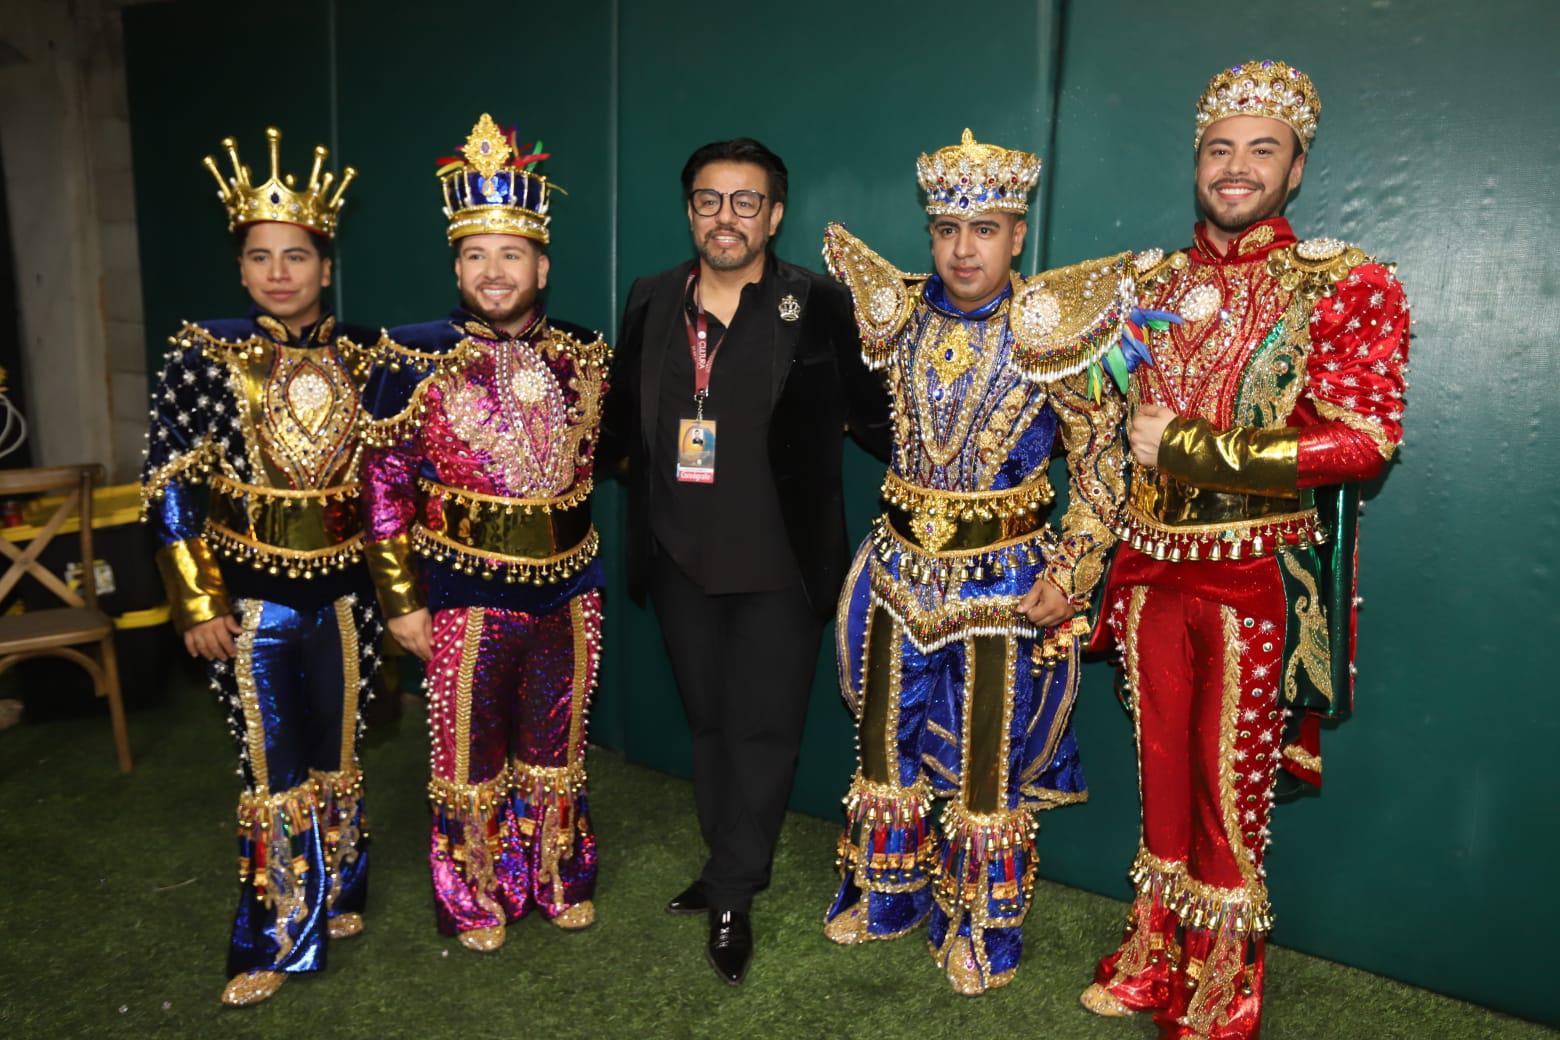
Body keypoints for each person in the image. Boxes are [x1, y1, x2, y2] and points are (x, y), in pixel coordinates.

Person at [1079, 60, 1410, 1039]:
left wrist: (1196, 447)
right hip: (1148, 568)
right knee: (1160, 775)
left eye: (1261, 150)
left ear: (1296, 169)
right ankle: (1153, 952)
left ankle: (1225, 980)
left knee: (1231, 786)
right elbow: (1101, 431)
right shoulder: (1146, 283)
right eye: (1219, 150)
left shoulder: (1345, 282)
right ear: (1196, 163)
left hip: (1253, 575)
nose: (1235, 168)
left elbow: (1366, 440)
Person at [819, 129, 1143, 995]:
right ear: (931, 235)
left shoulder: (1054, 329)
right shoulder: (899, 315)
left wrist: (1071, 571)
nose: (965, 249)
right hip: (896, 569)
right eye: (949, 230)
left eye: (987, 230)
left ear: (1017, 235)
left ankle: (980, 924)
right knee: (884, 748)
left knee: (985, 765)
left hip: (1004, 581)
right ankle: (886, 893)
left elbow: (1105, 464)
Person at [597, 137, 891, 985]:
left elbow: (872, 417)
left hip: (780, 565)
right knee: (710, 725)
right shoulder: (651, 299)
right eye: (708, 201)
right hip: (681, 557)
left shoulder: (818, 302)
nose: (726, 218)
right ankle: (731, 857)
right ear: (690, 208)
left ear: (776, 214)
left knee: (763, 731)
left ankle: (733, 891)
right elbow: (619, 423)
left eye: (746, 202)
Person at [359, 114, 609, 954]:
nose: (493, 271)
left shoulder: (583, 355)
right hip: (465, 592)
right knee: (467, 757)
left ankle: (553, 877)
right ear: (457, 267)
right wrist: (400, 604)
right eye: (475, 255)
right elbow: (384, 486)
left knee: (556, 745)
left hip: (571, 588)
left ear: (540, 264)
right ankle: (470, 896)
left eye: (510, 254)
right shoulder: (411, 356)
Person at [142, 128, 381, 1007]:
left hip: (348, 601)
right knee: (271, 769)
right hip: (255, 607)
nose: (279, 272)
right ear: (241, 271)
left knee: (338, 754)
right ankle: (276, 935)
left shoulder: (365, 354)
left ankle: (341, 889)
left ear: (325, 265)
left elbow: (388, 481)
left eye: (297, 256)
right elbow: (169, 485)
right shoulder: (204, 355)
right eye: (260, 257)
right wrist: (199, 599)